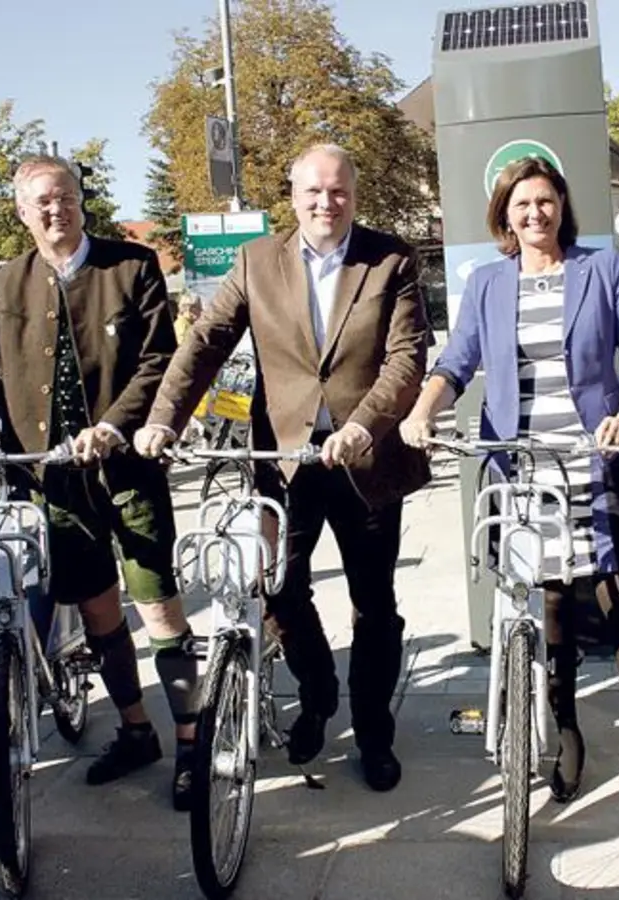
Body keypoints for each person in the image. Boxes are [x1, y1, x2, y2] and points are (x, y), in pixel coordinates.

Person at [398, 156, 619, 813]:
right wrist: (424, 408)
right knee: (552, 606)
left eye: (544, 201)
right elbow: (458, 359)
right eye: (521, 205)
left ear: (562, 206)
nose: (534, 213)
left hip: (594, 456)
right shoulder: (488, 283)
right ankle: (565, 733)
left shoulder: (601, 269)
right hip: (523, 464)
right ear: (504, 217)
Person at [134, 144, 430, 793]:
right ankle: (320, 693)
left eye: (338, 191)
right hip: (286, 463)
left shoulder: (391, 259)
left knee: (373, 605)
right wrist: (164, 420)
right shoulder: (256, 260)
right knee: (278, 589)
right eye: (313, 192)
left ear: (355, 194)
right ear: (292, 195)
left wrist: (362, 426)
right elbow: (207, 342)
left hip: (366, 459)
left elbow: (407, 357)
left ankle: (375, 730)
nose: (326, 203)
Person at [0, 155, 200, 809]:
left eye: (65, 198)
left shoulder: (129, 268)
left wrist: (113, 426)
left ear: (81, 203)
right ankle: (137, 730)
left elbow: (158, 361)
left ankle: (194, 742)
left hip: (126, 469)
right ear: (22, 213)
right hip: (49, 480)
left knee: (158, 603)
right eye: (41, 202)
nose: (56, 211)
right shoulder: (10, 283)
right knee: (96, 608)